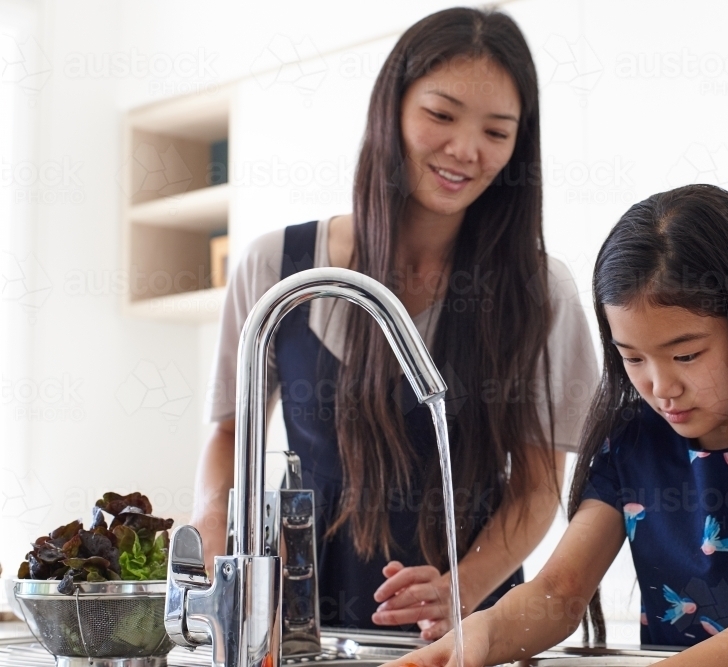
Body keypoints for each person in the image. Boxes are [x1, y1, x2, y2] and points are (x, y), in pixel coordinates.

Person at [386, 184, 728, 666]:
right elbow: (559, 591)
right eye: (632, 358)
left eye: (687, 355)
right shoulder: (633, 446)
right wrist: (476, 636)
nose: (660, 386)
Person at [191, 7, 598, 639]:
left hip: (465, 632)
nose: (465, 150)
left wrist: (460, 589)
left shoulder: (541, 292)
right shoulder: (277, 266)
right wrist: (216, 544)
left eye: (497, 131)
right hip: (300, 627)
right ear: (392, 108)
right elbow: (227, 436)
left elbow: (538, 486)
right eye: (440, 115)